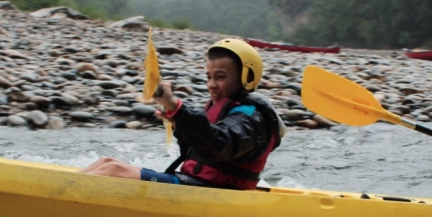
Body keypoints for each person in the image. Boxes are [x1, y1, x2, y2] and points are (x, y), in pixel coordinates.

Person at [79, 38, 284, 189]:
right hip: (200, 186)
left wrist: (177, 109)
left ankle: (61, 200)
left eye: (220, 77)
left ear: (246, 77)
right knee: (108, 162)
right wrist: (178, 121)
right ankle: (60, 192)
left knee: (113, 172)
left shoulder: (250, 117)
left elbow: (220, 144)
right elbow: (199, 150)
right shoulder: (228, 110)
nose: (211, 85)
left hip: (217, 193)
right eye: (209, 77)